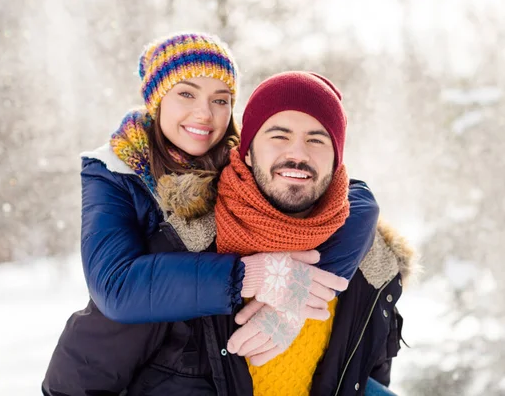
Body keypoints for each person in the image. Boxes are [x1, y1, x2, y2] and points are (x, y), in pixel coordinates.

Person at [42, 34, 381, 396]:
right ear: (157, 100)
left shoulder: (240, 158)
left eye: (220, 100)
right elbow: (117, 287)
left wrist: (297, 295)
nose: (205, 113)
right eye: (186, 94)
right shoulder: (113, 172)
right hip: (123, 352)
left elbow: (356, 200)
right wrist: (246, 276)